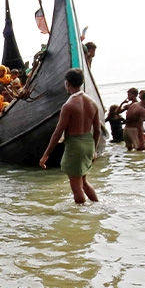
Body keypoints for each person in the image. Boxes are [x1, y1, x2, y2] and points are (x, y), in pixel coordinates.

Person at [39, 68, 101, 204]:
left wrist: (46, 155)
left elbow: (57, 133)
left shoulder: (68, 105)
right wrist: (94, 150)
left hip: (75, 145)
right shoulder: (92, 102)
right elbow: (97, 130)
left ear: (67, 83)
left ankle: (80, 214)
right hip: (88, 143)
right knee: (84, 180)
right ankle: (97, 205)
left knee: (76, 186)